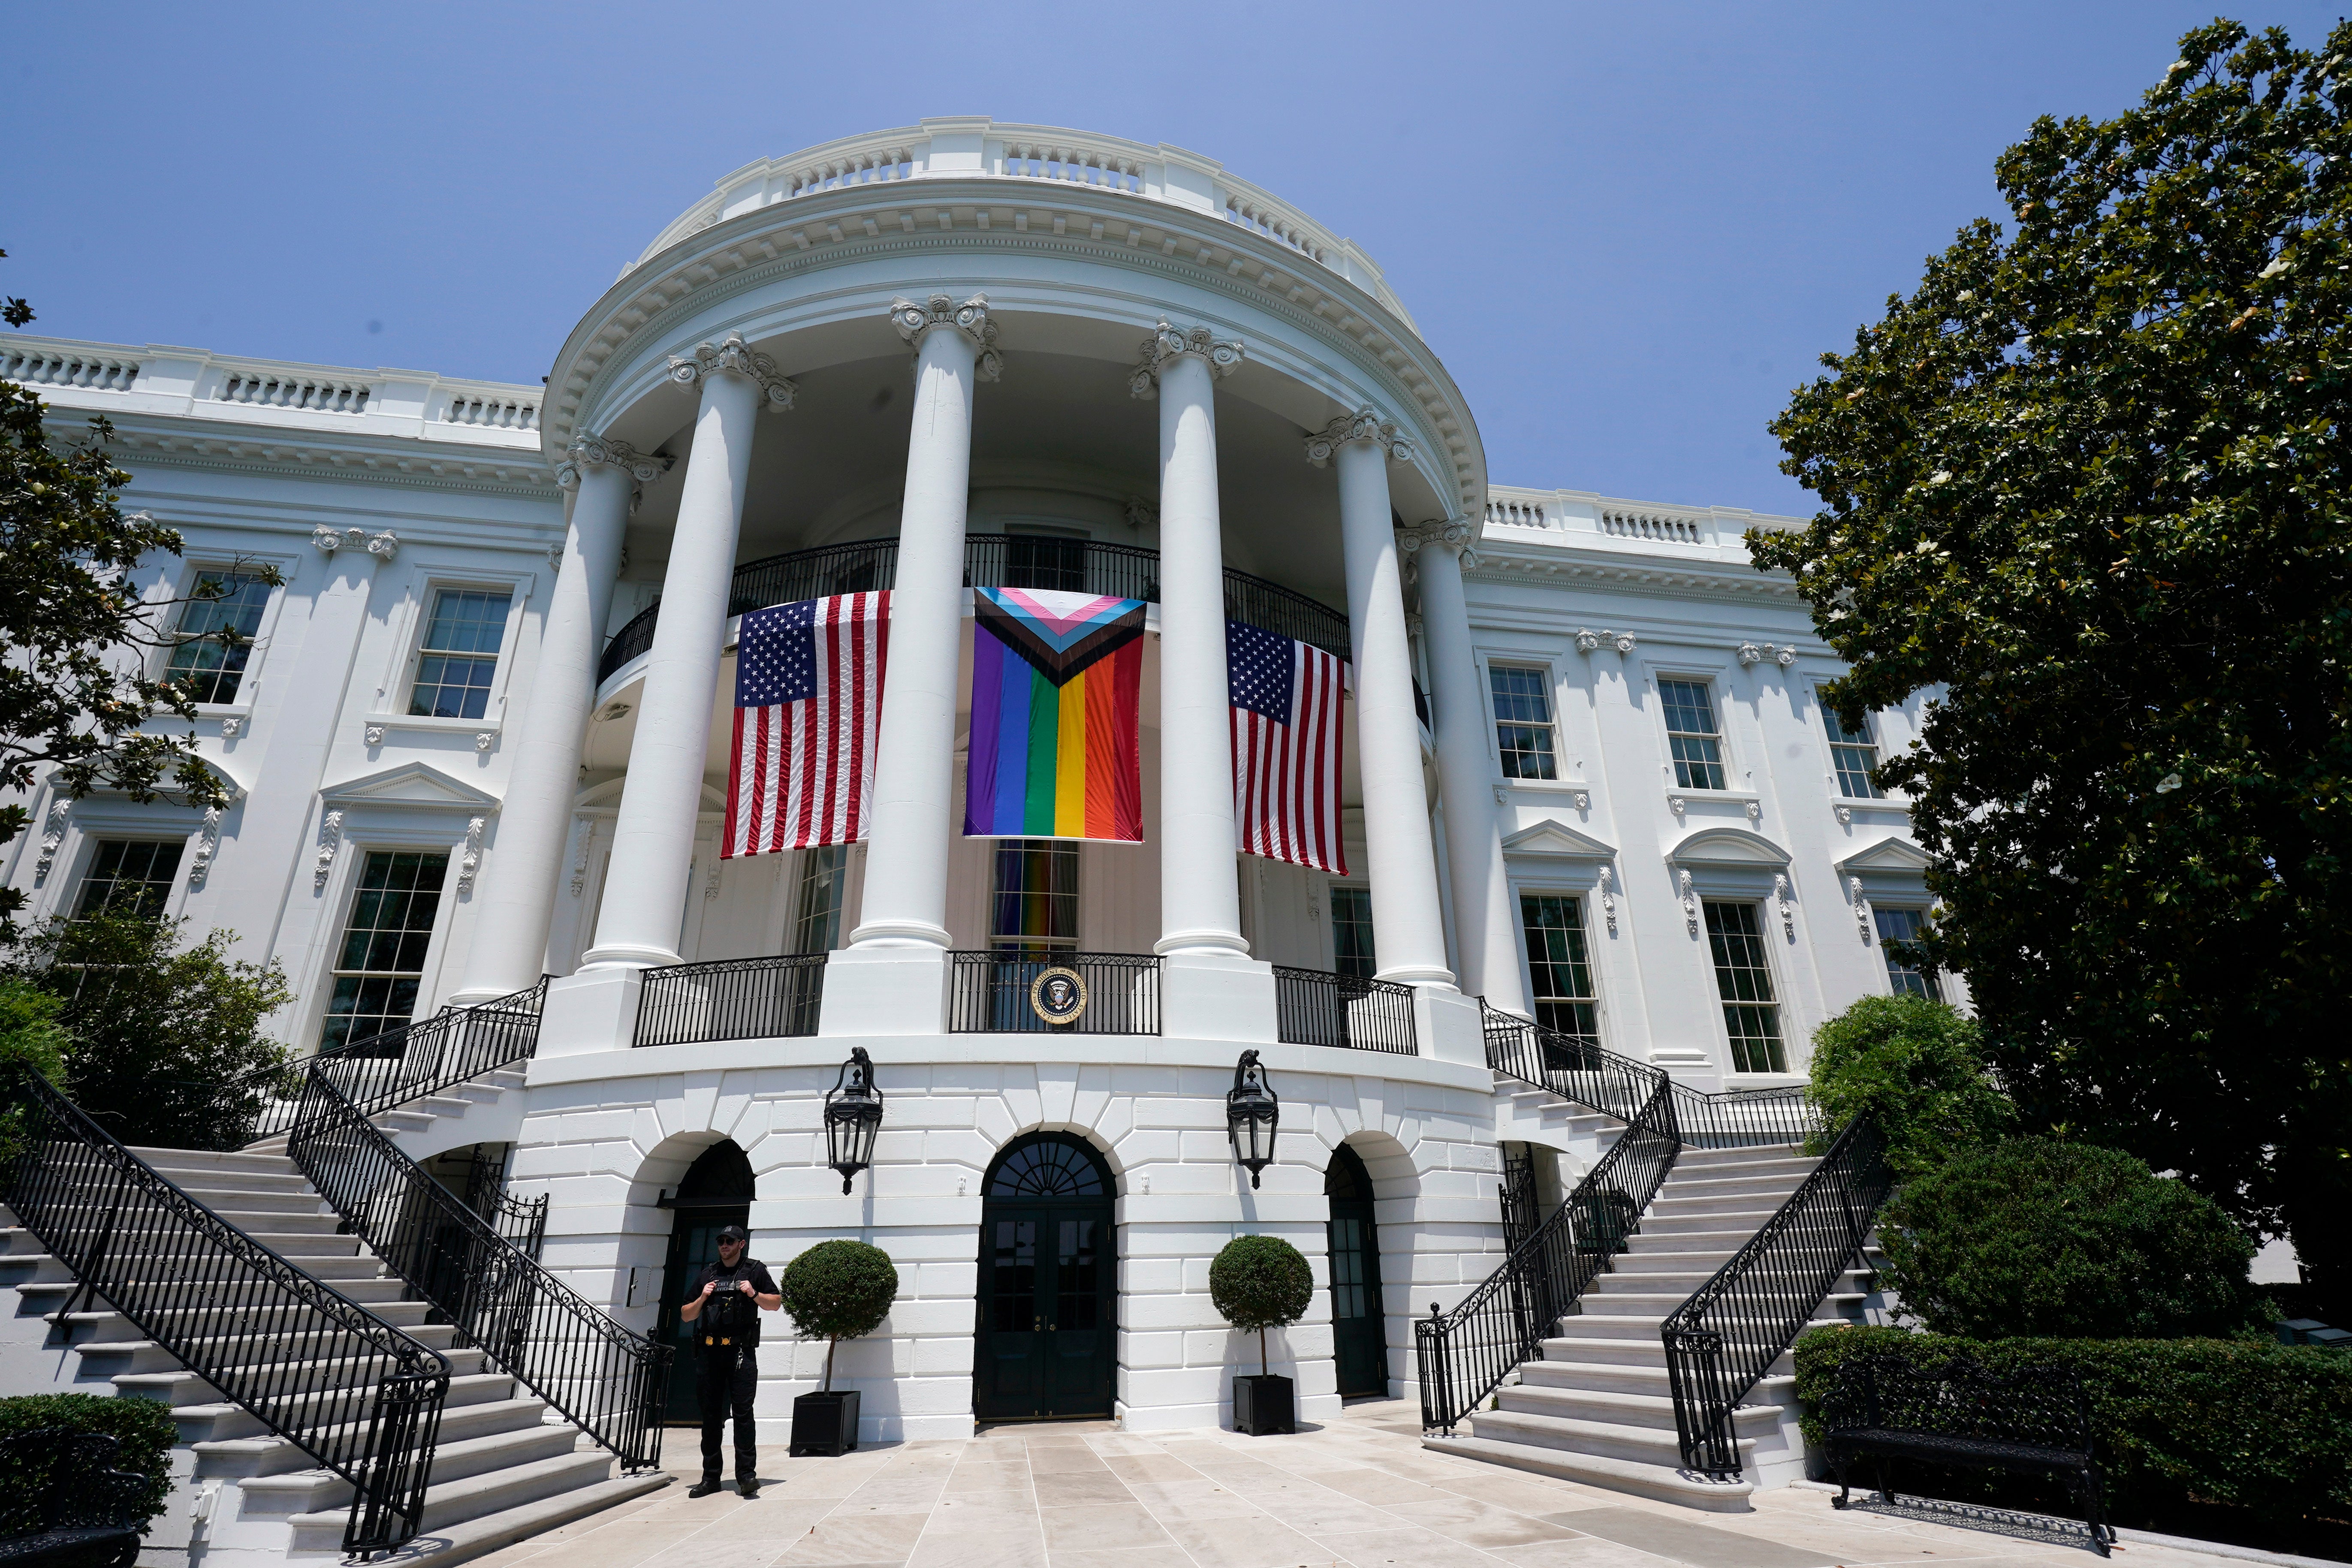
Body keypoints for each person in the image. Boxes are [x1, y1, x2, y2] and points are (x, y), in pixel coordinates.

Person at [680, 1223, 780, 1497]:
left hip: (740, 1354)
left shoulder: (755, 1271)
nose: (724, 1245)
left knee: (744, 1416)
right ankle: (711, 1478)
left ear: (741, 1244)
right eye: (721, 1241)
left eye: (730, 1241)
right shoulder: (708, 1274)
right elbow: (686, 1315)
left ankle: (747, 1476)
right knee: (711, 1417)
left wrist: (753, 1294)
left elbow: (775, 1303)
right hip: (711, 1354)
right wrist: (703, 1296)